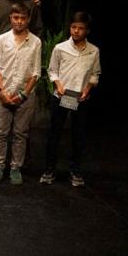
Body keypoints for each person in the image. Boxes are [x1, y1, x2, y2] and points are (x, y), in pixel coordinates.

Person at [42, 12, 100, 187]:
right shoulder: (60, 48)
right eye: (74, 27)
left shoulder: (93, 50)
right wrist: (58, 84)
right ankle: (49, 169)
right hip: (61, 95)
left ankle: (75, 171)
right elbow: (52, 70)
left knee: (78, 135)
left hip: (81, 98)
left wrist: (88, 89)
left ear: (87, 30)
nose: (76, 31)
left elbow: (95, 73)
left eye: (80, 28)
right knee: (55, 133)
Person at [0, 2, 41, 184]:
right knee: (0, 132)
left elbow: (36, 72)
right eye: (16, 17)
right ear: (10, 18)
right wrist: (2, 91)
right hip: (4, 92)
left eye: (23, 18)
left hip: (24, 96)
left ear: (28, 19)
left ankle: (15, 168)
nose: (19, 21)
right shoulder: (2, 39)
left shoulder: (35, 42)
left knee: (20, 133)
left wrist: (23, 94)